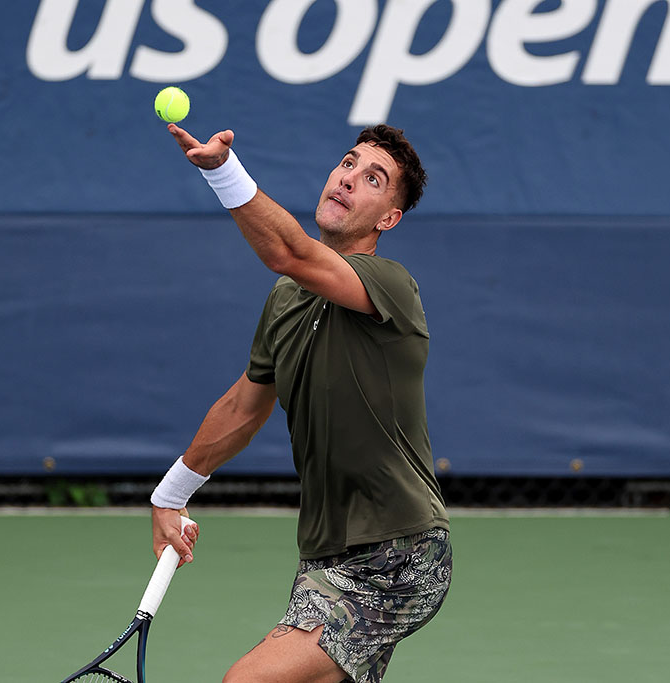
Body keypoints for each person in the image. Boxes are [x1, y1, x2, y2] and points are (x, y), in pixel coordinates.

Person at [150, 122, 451, 683]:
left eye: (372, 179)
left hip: (397, 552)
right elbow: (245, 407)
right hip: (323, 555)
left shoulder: (390, 285)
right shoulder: (286, 300)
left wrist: (222, 171)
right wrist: (171, 495)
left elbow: (288, 252)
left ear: (389, 219)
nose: (347, 179)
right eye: (347, 163)